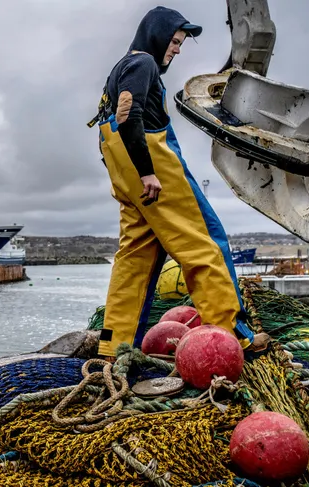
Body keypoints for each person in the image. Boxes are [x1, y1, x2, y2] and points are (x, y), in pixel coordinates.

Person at [88, 6, 269, 360]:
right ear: (155, 35)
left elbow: (114, 119)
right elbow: (129, 114)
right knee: (206, 243)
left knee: (135, 257)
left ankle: (114, 347)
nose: (177, 49)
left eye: (181, 42)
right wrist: (147, 171)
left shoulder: (120, 68)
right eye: (174, 41)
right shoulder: (144, 65)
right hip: (154, 171)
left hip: (123, 175)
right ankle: (232, 335)